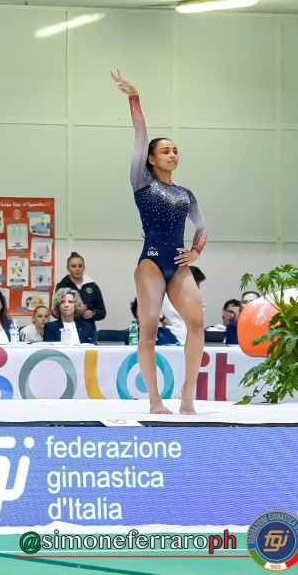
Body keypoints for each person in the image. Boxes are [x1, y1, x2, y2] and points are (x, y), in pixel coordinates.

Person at [112, 69, 208, 414]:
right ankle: (154, 399)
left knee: (197, 324)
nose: (172, 154)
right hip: (151, 262)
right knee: (149, 330)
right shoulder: (142, 182)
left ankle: (187, 394)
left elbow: (202, 226)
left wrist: (195, 252)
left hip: (178, 265)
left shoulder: (185, 193)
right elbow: (140, 135)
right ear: (151, 159)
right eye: (165, 151)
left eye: (175, 150)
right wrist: (134, 97)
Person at [55, 252, 105, 323]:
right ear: (67, 268)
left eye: (80, 266)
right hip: (66, 326)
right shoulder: (61, 287)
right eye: (73, 266)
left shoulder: (93, 286)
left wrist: (93, 313)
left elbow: (102, 312)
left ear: (84, 267)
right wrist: (76, 310)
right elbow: (55, 312)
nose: (77, 269)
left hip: (88, 327)